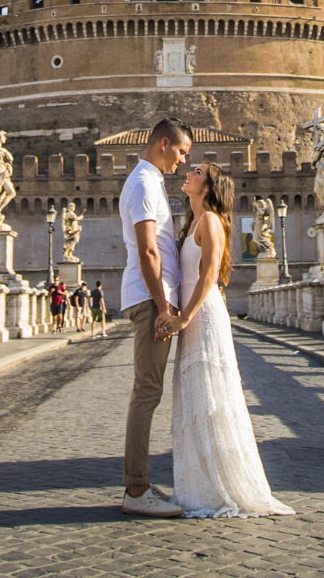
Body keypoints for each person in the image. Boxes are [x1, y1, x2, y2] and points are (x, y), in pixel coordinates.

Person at [157, 162, 294, 519]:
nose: (189, 172)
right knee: (196, 396)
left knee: (212, 396)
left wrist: (183, 317)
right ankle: (199, 484)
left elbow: (209, 275)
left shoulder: (212, 221)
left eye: (198, 172)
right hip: (193, 315)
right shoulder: (193, 223)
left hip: (202, 316)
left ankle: (221, 487)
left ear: (210, 186)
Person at [118, 117, 192, 517]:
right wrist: (163, 306)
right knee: (147, 392)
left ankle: (139, 484)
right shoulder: (145, 184)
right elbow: (148, 251)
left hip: (152, 297)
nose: (182, 161)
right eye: (181, 152)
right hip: (151, 300)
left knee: (149, 390)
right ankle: (137, 488)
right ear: (164, 144)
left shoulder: (149, 182)